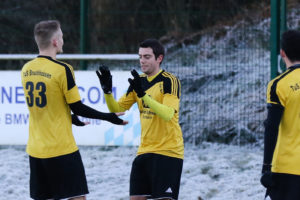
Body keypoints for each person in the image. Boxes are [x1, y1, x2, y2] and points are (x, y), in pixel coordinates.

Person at [21, 20, 128, 200]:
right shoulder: (63, 69)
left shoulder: (26, 69)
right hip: (61, 149)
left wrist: (71, 118)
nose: (63, 40)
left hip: (35, 150)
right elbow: (77, 106)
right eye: (61, 37)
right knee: (77, 197)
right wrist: (108, 117)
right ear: (55, 42)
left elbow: (48, 106)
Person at [96, 38, 184, 200]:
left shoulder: (170, 81)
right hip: (144, 151)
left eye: (147, 57)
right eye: (140, 56)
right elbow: (118, 110)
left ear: (159, 58)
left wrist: (144, 96)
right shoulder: (139, 81)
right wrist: (107, 92)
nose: (142, 61)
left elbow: (168, 114)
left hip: (168, 152)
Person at [261, 30, 300, 200]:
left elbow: (271, 128)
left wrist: (266, 167)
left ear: (282, 53)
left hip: (287, 168)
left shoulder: (279, 84)